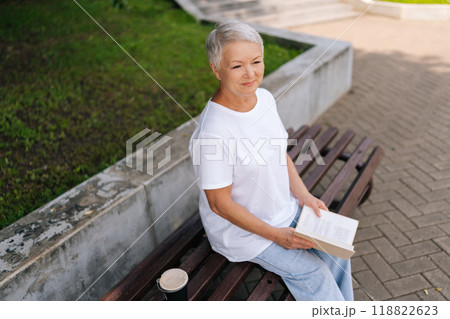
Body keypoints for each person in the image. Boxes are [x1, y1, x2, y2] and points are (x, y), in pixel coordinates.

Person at [188, 20, 353, 301]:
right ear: (216, 69)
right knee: (314, 274)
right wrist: (278, 236)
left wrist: (304, 196)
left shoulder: (262, 98)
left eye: (256, 61)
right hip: (244, 233)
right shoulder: (213, 132)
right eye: (236, 66)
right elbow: (219, 204)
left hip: (284, 209)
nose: (250, 73)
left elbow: (279, 153)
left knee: (337, 253)